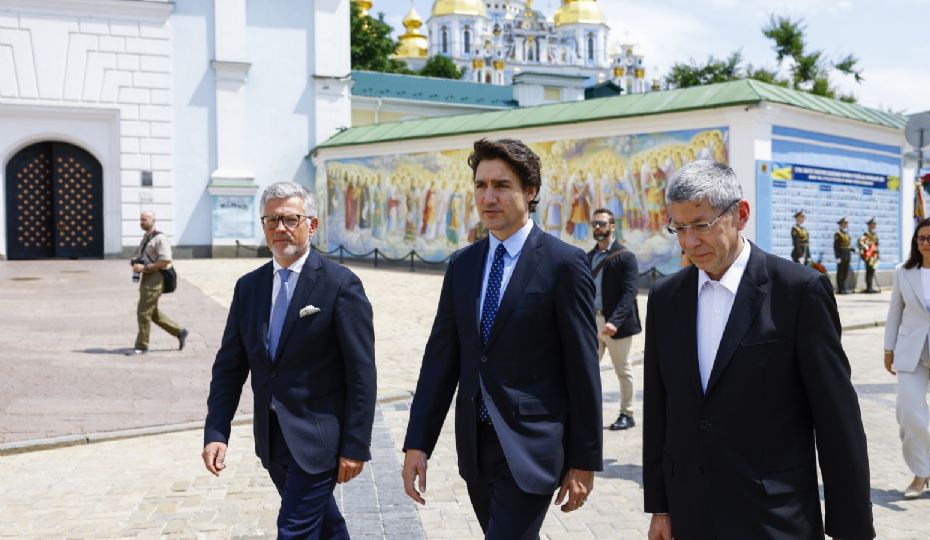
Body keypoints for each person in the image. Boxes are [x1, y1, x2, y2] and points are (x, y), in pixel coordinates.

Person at [643, 160, 874, 540]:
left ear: (741, 215)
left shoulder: (799, 292)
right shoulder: (666, 297)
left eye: (701, 225)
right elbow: (660, 410)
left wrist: (852, 528)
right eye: (679, 228)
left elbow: (837, 420)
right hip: (691, 514)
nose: (689, 242)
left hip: (775, 518)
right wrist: (661, 506)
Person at [401, 138, 603, 539]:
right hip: (476, 448)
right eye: (481, 185)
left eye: (502, 186)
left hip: (533, 447)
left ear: (529, 192)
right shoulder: (463, 265)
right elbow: (441, 361)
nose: (488, 197)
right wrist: (417, 444)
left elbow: (583, 369)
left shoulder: (564, 264)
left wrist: (584, 460)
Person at [202, 182, 376, 539]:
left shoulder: (341, 285)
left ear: (311, 225)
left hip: (319, 441)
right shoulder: (248, 288)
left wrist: (355, 445)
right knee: (326, 528)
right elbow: (229, 368)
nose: (280, 228)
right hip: (271, 440)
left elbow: (362, 374)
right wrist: (217, 430)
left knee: (294, 530)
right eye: (271, 220)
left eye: (290, 219)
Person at [883, 216, 930, 501]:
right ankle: (920, 472)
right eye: (921, 238)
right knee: (910, 413)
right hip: (910, 351)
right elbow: (894, 313)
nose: (925, 243)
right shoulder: (903, 272)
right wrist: (888, 348)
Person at [587, 208, 641, 430]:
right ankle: (587, 413)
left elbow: (630, 293)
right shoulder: (589, 257)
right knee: (587, 368)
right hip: (593, 323)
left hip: (615, 325)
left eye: (602, 223)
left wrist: (614, 322)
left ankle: (627, 414)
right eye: (595, 224)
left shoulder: (626, 257)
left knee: (623, 370)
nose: (598, 228)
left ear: (612, 226)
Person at [128, 210, 187, 355]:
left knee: (143, 312)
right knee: (152, 313)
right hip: (147, 277)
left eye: (145, 219)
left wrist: (145, 267)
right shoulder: (146, 237)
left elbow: (166, 260)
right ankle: (180, 332)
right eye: (141, 219)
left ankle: (141, 345)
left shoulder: (160, 238)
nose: (142, 222)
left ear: (153, 220)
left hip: (156, 278)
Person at [859, 218, 880, 293]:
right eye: (872, 225)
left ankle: (871, 287)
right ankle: (868, 287)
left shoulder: (875, 234)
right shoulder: (866, 234)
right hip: (868, 256)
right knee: (869, 271)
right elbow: (863, 244)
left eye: (874, 225)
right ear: (869, 226)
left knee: (872, 271)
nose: (874, 226)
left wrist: (878, 254)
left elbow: (877, 245)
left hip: (874, 256)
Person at [835, 216, 853, 294]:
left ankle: (844, 287)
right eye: (845, 223)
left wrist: (853, 249)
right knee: (840, 272)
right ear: (841, 224)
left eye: (847, 223)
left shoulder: (846, 233)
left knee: (845, 271)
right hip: (841, 255)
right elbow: (836, 246)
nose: (846, 224)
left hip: (847, 255)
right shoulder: (838, 234)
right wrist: (837, 257)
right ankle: (840, 288)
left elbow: (848, 245)